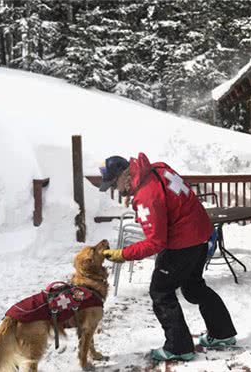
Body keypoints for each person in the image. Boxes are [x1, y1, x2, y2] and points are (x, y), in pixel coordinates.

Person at [98, 153, 237, 361]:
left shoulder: (146, 195)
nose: (115, 189)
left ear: (123, 176)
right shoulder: (157, 169)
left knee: (161, 292)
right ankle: (222, 333)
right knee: (193, 287)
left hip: (182, 243)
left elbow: (156, 242)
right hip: (201, 235)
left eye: (113, 184)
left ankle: (179, 347)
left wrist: (123, 254)